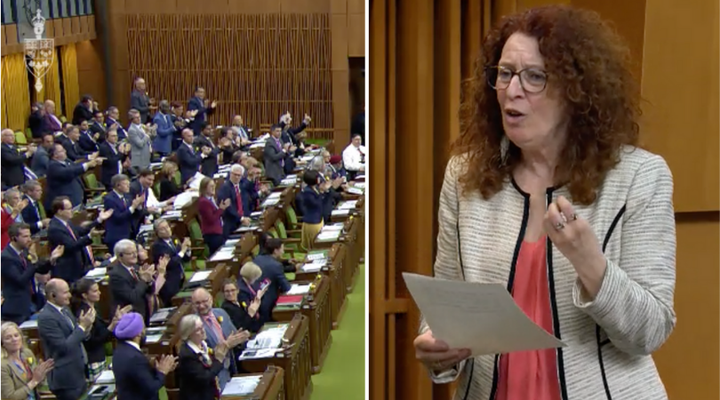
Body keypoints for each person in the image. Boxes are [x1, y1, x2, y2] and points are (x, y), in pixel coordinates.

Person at [412, 6, 676, 400]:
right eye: (504, 73)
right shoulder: (463, 177)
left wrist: (591, 264)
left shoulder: (639, 178)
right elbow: (445, 304)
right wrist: (437, 349)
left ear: (576, 90)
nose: (512, 91)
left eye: (535, 76)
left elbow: (650, 331)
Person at [37, 278, 95, 400]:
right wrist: (82, 327)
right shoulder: (46, 317)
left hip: (78, 373)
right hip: (66, 379)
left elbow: (76, 336)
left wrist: (87, 327)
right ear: (53, 295)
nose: (69, 295)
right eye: (65, 292)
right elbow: (63, 347)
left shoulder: (64, 310)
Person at [70, 278, 131, 381]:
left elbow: (101, 330)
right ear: (85, 295)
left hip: (99, 355)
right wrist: (112, 325)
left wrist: (115, 321)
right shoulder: (85, 313)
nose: (99, 292)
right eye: (95, 291)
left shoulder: (94, 307)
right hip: (92, 358)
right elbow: (91, 341)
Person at [175, 314, 246, 399]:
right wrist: (218, 360)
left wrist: (225, 346)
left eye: (202, 326)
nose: (203, 331)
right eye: (198, 329)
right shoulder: (187, 355)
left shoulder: (203, 344)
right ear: (189, 333)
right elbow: (205, 377)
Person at [1, 224, 60, 324]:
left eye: (29, 236)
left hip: (30, 303)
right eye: (25, 236)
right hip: (17, 308)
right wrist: (32, 264)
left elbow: (38, 269)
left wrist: (51, 260)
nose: (29, 239)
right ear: (14, 238)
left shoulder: (23, 252)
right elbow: (20, 280)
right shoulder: (6, 257)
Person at [112, 312, 178, 400]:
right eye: (143, 328)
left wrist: (156, 370)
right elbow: (151, 387)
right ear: (138, 333)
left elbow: (136, 378)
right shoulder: (134, 358)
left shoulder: (119, 351)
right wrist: (162, 372)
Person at [1, 321, 55, 400]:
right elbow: (10, 397)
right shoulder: (3, 366)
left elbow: (38, 385)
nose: (14, 339)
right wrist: (34, 381)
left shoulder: (27, 354)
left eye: (16, 335)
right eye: (8, 338)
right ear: (2, 343)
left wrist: (42, 375)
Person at [252, 238, 292, 325]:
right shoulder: (276, 266)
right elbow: (286, 288)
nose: (283, 252)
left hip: (253, 299)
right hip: (267, 304)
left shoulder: (257, 259)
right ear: (275, 250)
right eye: (282, 249)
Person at [230, 263, 268, 333]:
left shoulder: (247, 283)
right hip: (250, 321)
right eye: (256, 277)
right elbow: (249, 308)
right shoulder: (241, 291)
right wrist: (258, 297)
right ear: (252, 276)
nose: (257, 279)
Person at [197, 177, 231, 255]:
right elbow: (211, 219)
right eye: (211, 186)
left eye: (214, 186)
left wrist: (222, 208)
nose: (214, 188)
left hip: (217, 231)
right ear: (204, 188)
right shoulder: (203, 202)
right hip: (212, 235)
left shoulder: (210, 199)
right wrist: (221, 209)